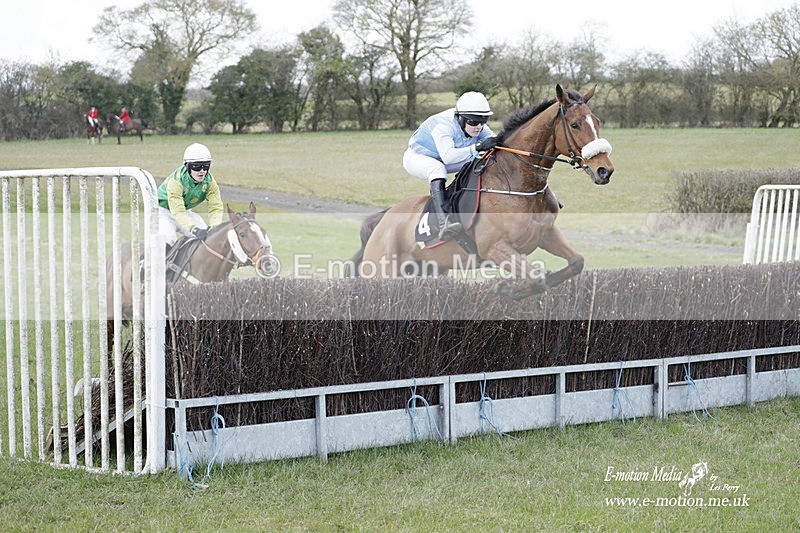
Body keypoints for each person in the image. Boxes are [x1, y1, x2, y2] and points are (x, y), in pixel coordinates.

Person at [403, 91, 500, 241]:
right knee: (438, 169)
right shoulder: (443, 125)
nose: (479, 127)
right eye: (473, 122)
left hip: (445, 157)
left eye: (483, 121)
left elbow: (495, 142)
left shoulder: (477, 125)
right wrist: (477, 147)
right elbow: (448, 157)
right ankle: (444, 222)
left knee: (482, 161)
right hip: (418, 157)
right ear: (460, 117)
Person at [157, 143, 224, 247]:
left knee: (207, 240)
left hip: (185, 212)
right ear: (187, 166)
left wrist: (214, 226)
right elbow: (178, 211)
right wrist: (194, 229)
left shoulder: (210, 181)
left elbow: (216, 207)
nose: (202, 171)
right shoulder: (176, 181)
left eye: (206, 166)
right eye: (196, 167)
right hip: (162, 212)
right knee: (168, 243)